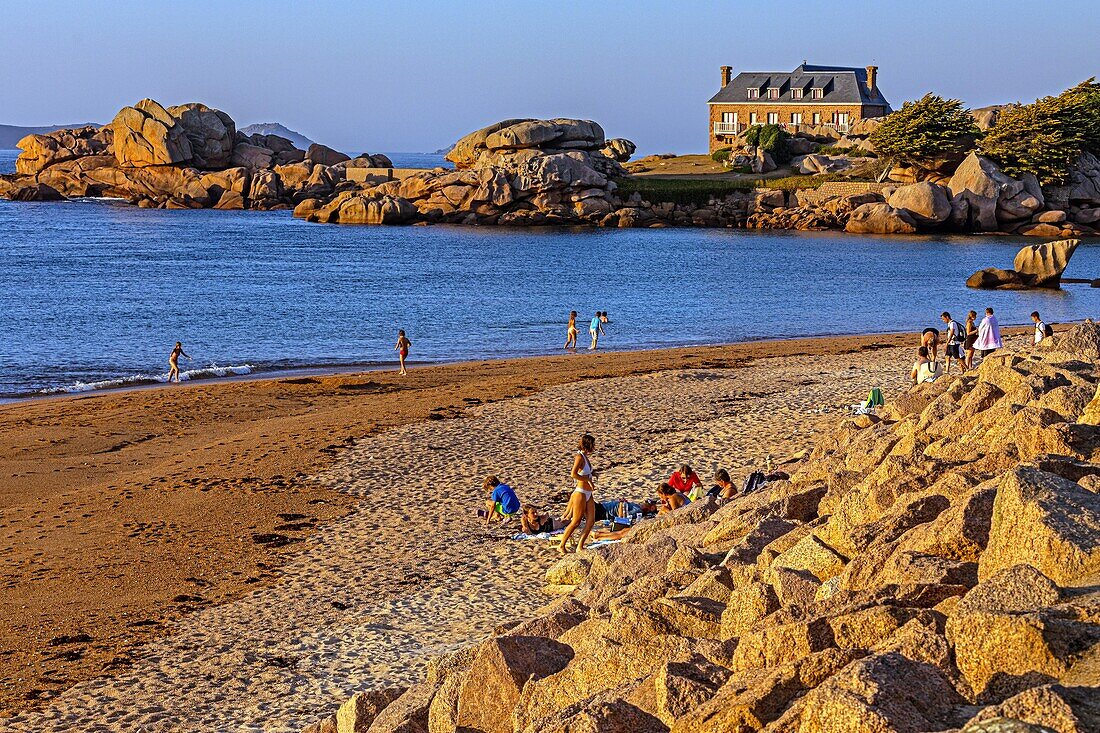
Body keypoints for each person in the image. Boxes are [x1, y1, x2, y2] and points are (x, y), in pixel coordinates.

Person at [559, 434, 597, 553]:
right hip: (580, 493)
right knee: (576, 521)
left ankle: (580, 546)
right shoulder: (579, 457)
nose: (595, 447)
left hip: (588, 493)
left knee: (591, 521)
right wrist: (587, 480)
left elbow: (585, 473)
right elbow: (573, 474)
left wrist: (592, 475)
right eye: (593, 444)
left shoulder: (585, 457)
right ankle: (561, 545)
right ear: (588, 445)